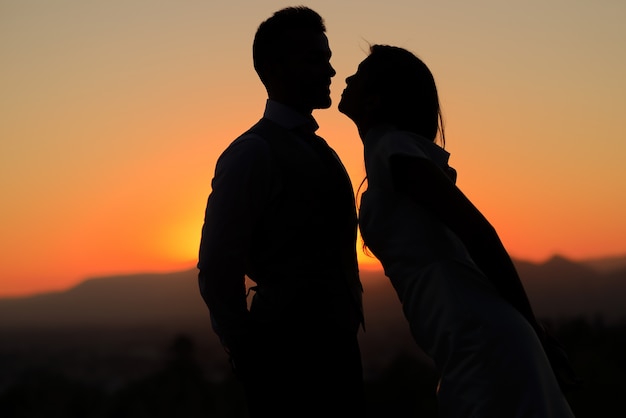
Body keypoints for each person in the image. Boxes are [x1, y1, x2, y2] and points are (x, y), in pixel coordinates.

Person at [339, 44, 577, 417]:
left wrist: (535, 330)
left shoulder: (393, 148)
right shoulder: (388, 154)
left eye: (359, 73)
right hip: (465, 334)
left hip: (479, 336)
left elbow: (479, 233)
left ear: (374, 100)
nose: (347, 77)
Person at [197, 6, 365, 417]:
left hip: (339, 354)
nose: (330, 71)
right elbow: (218, 266)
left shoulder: (323, 149)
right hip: (285, 364)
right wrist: (249, 353)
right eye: (315, 59)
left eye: (327, 58)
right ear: (274, 67)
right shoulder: (253, 152)